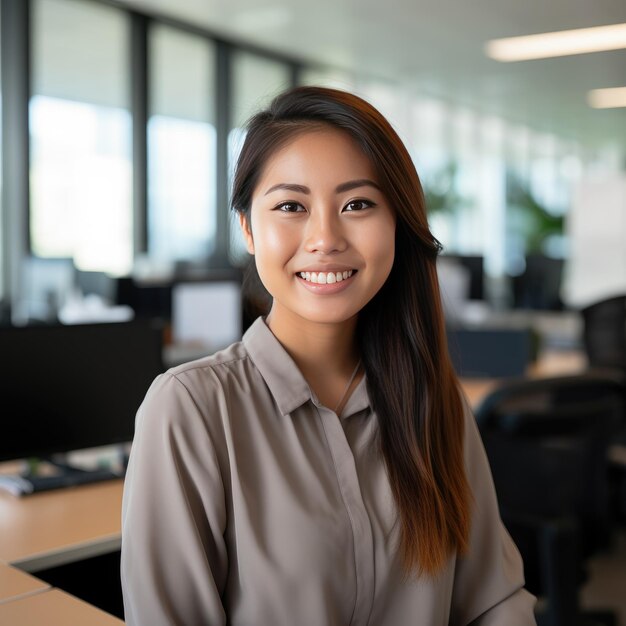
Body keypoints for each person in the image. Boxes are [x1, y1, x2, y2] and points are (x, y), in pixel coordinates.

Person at [120, 85, 537, 625]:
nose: (325, 238)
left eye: (357, 204)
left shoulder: (432, 399)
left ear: (396, 223)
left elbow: (493, 602)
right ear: (248, 227)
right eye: (291, 206)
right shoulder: (192, 409)